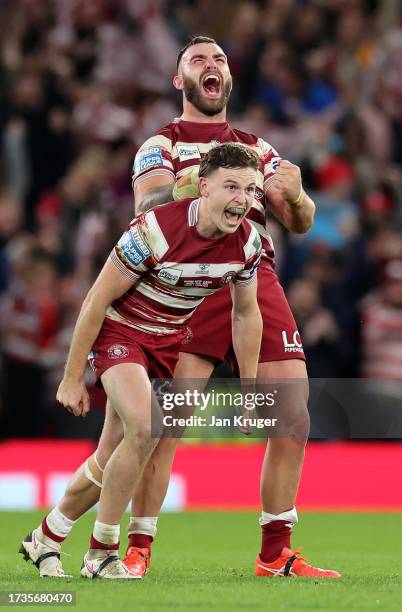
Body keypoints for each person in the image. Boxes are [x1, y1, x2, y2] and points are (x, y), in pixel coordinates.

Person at [21, 37, 340, 580]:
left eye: (218, 60)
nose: (210, 67)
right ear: (180, 81)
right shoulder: (159, 145)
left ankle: (275, 552)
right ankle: (136, 546)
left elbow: (300, 222)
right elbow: (147, 206)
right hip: (181, 285)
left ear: (229, 79)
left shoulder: (259, 149)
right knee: (161, 427)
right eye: (197, 60)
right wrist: (198, 184)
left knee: (292, 415)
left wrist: (300, 195)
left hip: (248, 273)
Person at [20, 143, 263, 579]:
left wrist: (250, 391)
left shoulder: (247, 244)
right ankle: (101, 554)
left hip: (167, 344)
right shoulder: (154, 230)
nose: (243, 199)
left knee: (112, 453)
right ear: (203, 189)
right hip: (119, 333)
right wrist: (72, 378)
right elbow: (97, 299)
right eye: (232, 186)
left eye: (250, 189)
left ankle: (47, 537)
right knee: (147, 428)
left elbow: (245, 314)